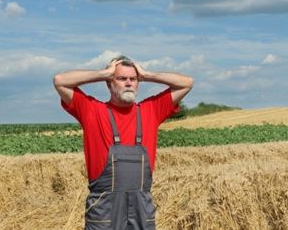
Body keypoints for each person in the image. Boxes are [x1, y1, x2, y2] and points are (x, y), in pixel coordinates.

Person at [53, 55, 193, 230]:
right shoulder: (92, 110)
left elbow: (186, 83)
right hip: (105, 210)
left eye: (133, 79)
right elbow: (60, 81)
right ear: (109, 83)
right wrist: (104, 73)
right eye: (121, 78)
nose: (128, 83)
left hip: (141, 209)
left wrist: (147, 74)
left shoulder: (151, 110)